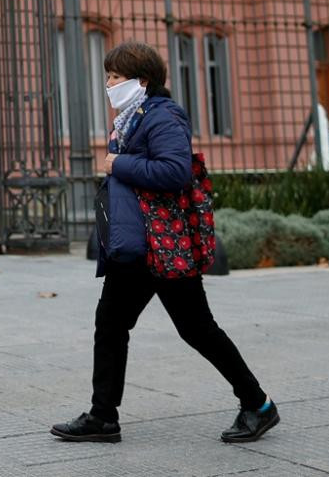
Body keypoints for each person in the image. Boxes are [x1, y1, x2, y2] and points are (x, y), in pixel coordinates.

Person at [51, 41, 279, 444]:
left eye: (114, 76)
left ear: (141, 81)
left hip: (166, 246)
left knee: (198, 329)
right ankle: (103, 416)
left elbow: (175, 171)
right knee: (110, 324)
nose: (108, 83)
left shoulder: (163, 116)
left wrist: (119, 163)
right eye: (107, 76)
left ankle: (258, 404)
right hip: (139, 246)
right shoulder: (133, 118)